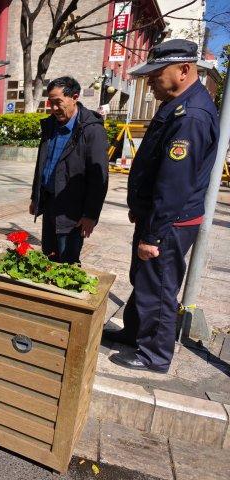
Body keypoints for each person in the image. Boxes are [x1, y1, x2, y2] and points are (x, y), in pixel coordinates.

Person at [104, 39, 219, 373]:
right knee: (144, 279)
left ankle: (154, 354)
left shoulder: (191, 116)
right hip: (157, 216)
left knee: (159, 286)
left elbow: (174, 182)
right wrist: (140, 208)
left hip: (169, 223)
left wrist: (152, 236)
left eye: (156, 74)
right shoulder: (177, 104)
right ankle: (136, 333)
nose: (150, 80)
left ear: (184, 70)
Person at [29, 76, 109, 265]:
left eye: (58, 103)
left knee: (68, 261)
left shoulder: (91, 130)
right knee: (49, 256)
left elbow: (99, 177)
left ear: (74, 97)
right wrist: (35, 197)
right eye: (51, 103)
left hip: (72, 210)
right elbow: (42, 165)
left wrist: (91, 215)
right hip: (49, 202)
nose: (54, 108)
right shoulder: (50, 126)